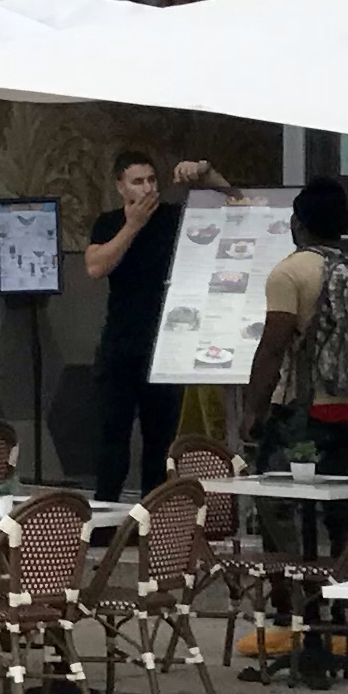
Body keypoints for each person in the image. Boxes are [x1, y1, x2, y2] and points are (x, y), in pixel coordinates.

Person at [241, 177, 348, 687]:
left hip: (304, 414)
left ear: (297, 224)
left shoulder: (291, 273)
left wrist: (253, 412)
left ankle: (301, 621)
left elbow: (273, 347)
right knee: (342, 520)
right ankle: (340, 628)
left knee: (280, 512)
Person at [79, 147, 210, 503]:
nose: (148, 188)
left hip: (166, 346)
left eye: (152, 180)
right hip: (120, 346)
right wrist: (132, 225)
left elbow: (231, 203)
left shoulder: (172, 218)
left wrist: (203, 170)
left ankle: (152, 517)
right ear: (121, 187)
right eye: (137, 182)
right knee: (112, 437)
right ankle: (106, 518)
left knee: (160, 443)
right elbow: (95, 266)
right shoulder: (109, 222)